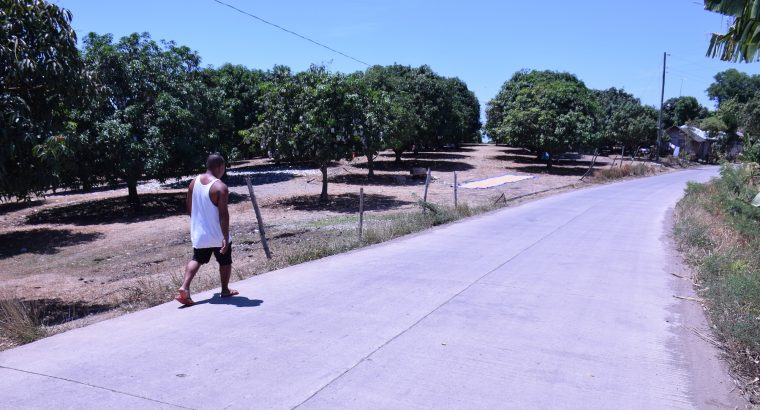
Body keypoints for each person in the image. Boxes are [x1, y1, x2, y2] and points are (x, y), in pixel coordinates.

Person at [175, 153, 238, 305]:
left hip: (200, 234)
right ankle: (224, 290)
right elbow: (223, 214)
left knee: (197, 259)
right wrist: (225, 236)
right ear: (220, 167)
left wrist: (199, 224)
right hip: (217, 234)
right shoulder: (220, 187)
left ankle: (184, 287)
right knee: (225, 261)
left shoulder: (193, 182)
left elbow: (189, 208)